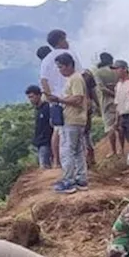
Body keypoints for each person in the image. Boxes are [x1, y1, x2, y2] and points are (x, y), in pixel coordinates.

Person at [38, 30, 85, 169]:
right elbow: (81, 76)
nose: (67, 42)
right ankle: (73, 172)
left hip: (55, 101)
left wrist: (50, 97)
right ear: (60, 40)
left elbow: (43, 80)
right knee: (74, 138)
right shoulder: (71, 55)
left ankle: (56, 162)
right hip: (72, 99)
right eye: (65, 39)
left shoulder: (47, 60)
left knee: (58, 131)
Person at [51, 53, 89, 194]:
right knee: (78, 150)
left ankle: (68, 180)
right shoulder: (75, 78)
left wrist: (59, 100)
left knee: (67, 150)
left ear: (68, 65)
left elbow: (78, 99)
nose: (60, 70)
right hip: (77, 120)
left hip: (72, 119)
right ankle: (81, 178)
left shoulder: (76, 79)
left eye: (61, 67)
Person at [95, 53, 120, 157]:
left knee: (110, 127)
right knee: (120, 126)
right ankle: (122, 149)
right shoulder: (116, 70)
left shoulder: (99, 72)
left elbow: (101, 88)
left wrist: (112, 94)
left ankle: (113, 150)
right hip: (120, 100)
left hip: (107, 102)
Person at [27, 85, 54, 170]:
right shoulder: (38, 110)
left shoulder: (47, 108)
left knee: (44, 167)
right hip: (40, 142)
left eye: (32, 96)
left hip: (46, 142)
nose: (31, 99)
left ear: (39, 95)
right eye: (29, 97)